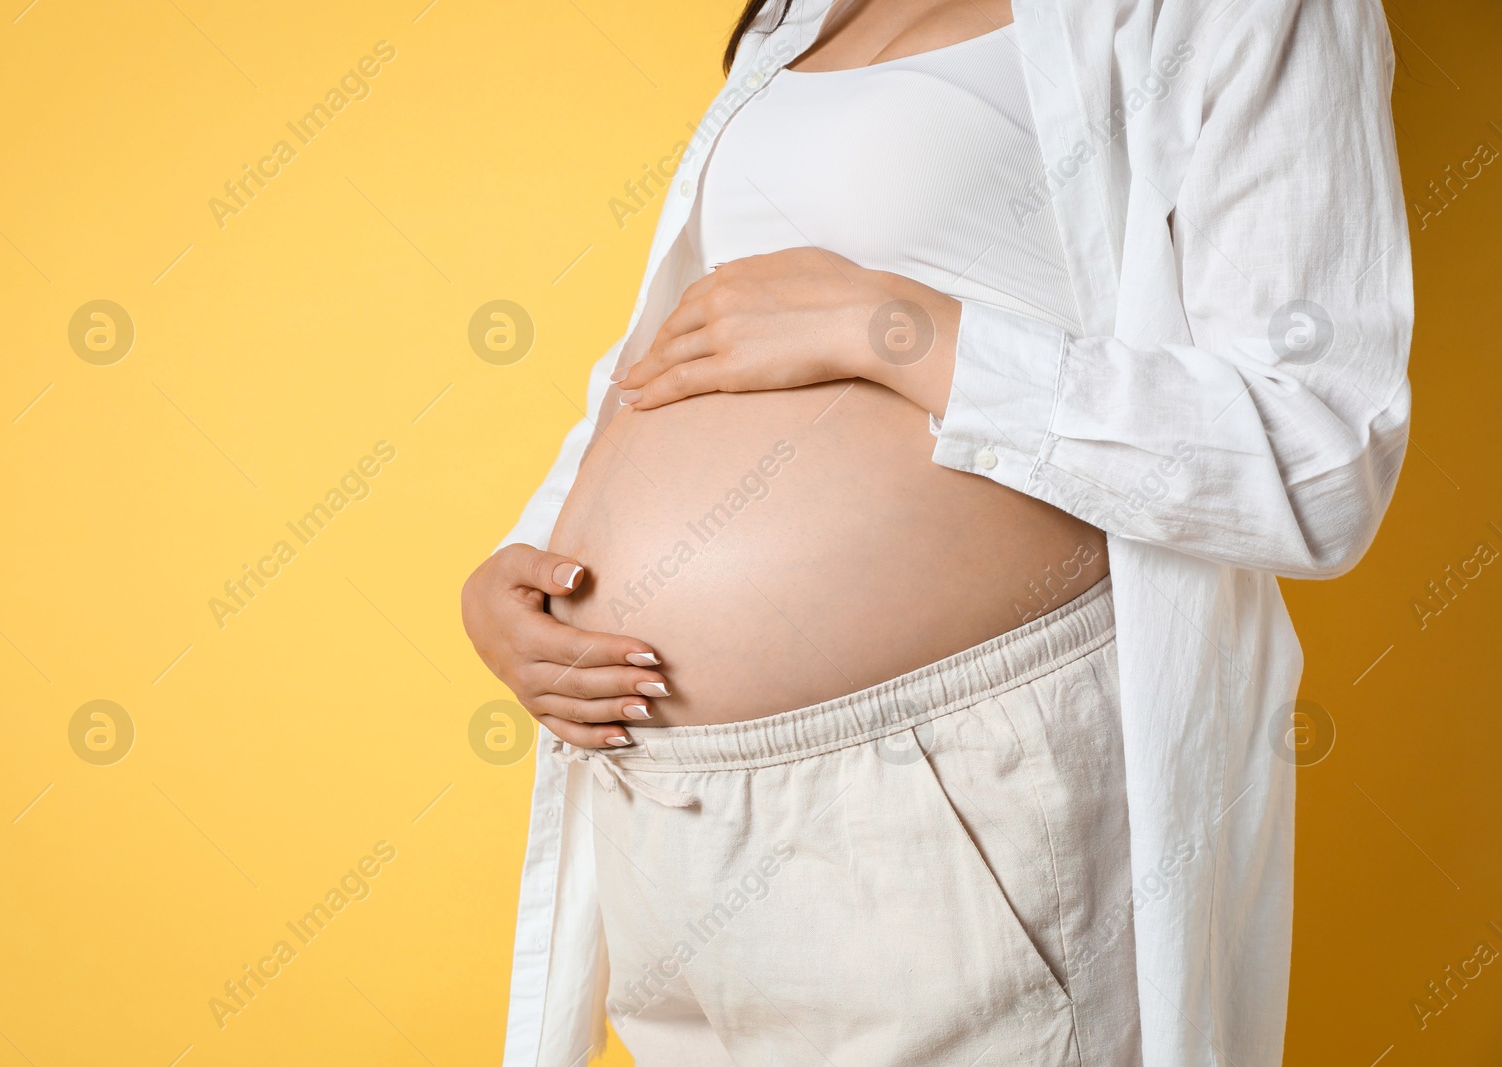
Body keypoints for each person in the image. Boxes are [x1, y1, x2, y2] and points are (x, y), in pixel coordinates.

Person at [461, 0, 1413, 1063]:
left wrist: (893, 327)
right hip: (667, 818)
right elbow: (694, 336)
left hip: (955, 797)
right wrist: (527, 559)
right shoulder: (803, 16)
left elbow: (1320, 449)